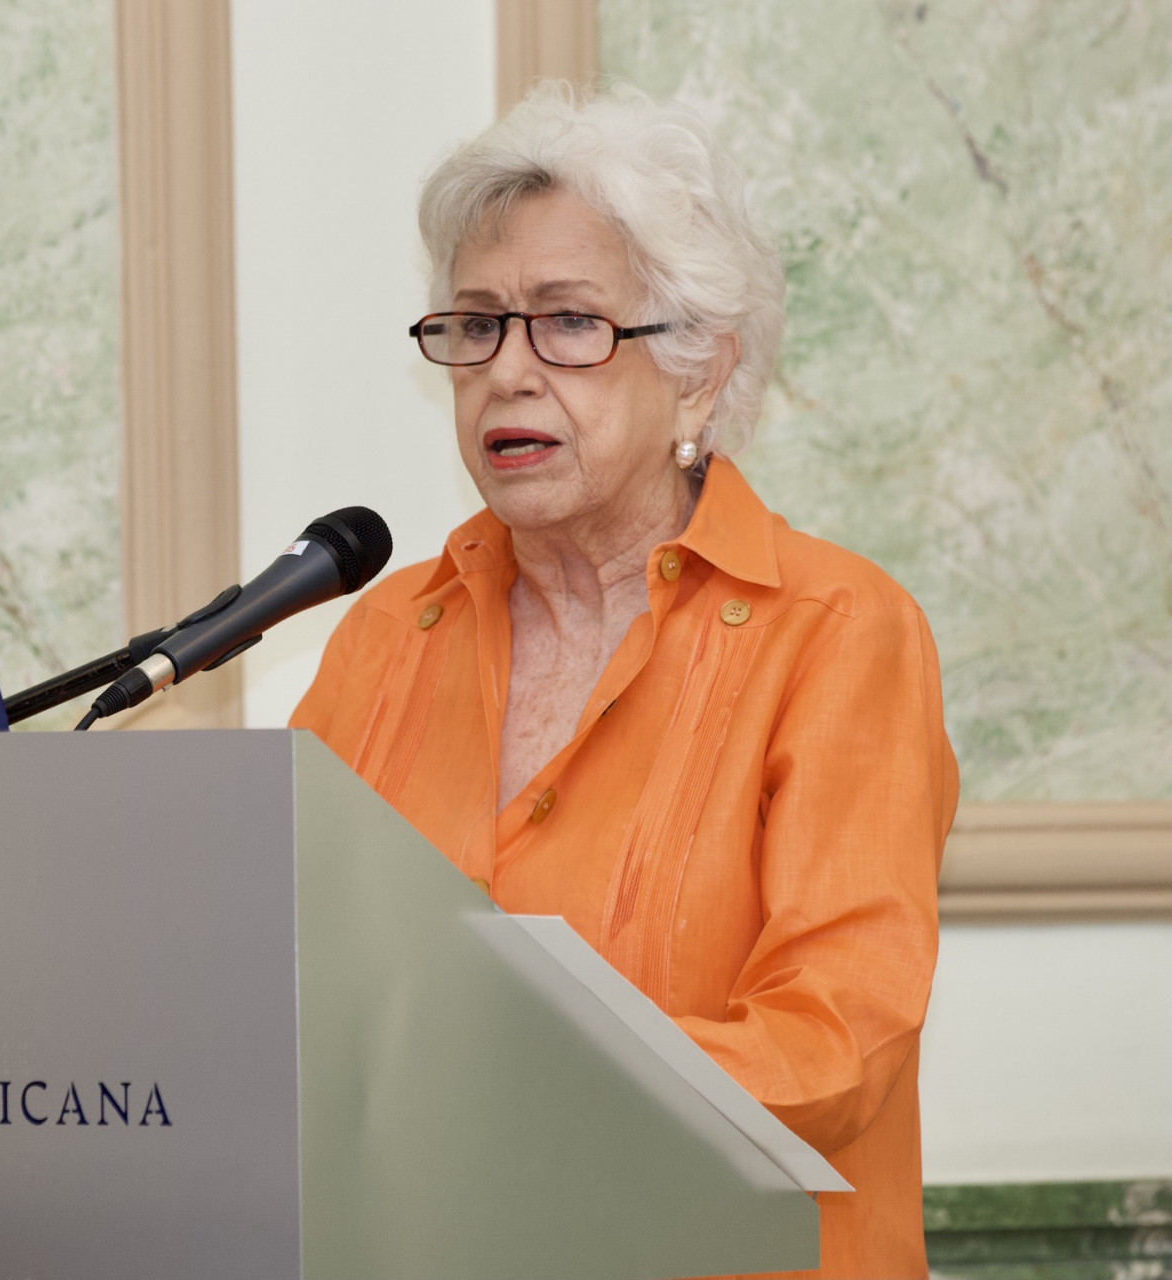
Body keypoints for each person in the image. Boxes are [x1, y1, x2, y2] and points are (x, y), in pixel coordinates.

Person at [291, 83, 958, 1280]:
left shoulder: (836, 632)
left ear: (698, 371)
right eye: (476, 325)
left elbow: (834, 1042)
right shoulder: (386, 635)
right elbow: (292, 975)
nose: (507, 371)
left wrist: (504, 1106)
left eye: (569, 323)